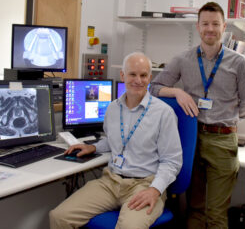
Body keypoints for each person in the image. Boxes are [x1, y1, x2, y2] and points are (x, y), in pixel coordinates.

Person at [149, 1, 245, 228]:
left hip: (223, 140)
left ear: (224, 26)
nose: (210, 29)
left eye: (215, 24)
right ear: (198, 26)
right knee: (194, 209)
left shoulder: (239, 62)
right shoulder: (183, 59)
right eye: (205, 23)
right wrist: (177, 91)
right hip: (191, 138)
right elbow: (153, 88)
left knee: (216, 214)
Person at [49, 52, 182, 229]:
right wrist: (93, 147)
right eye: (132, 74)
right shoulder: (112, 108)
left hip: (144, 185)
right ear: (123, 76)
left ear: (150, 78)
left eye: (143, 75)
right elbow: (114, 141)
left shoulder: (163, 113)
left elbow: (172, 161)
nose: (138, 80)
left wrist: (155, 190)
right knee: (59, 217)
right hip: (111, 182)